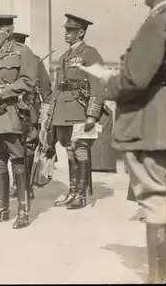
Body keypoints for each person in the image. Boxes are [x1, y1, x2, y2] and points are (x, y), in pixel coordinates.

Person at [97, 0, 166, 282]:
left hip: (154, 125)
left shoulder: (158, 21)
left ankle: (158, 278)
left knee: (156, 199)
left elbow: (135, 78)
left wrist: (109, 83)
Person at [0, 15, 38, 229]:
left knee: (18, 161)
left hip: (13, 114)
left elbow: (28, 82)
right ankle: (2, 209)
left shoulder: (23, 52)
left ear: (8, 32)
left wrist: (1, 91)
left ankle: (23, 211)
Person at [49, 13, 105, 210]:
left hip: (81, 109)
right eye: (66, 30)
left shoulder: (90, 54)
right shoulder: (64, 56)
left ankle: (81, 194)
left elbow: (98, 84)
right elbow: (57, 87)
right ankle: (72, 191)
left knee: (80, 149)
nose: (66, 33)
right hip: (64, 110)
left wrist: (92, 113)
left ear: (81, 33)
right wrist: (51, 112)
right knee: (69, 150)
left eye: (71, 31)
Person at [9, 32, 53, 199]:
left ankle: (26, 185)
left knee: (28, 148)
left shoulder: (35, 61)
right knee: (12, 147)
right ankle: (16, 183)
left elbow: (46, 88)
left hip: (30, 110)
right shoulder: (5, 60)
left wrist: (46, 114)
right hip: (9, 110)